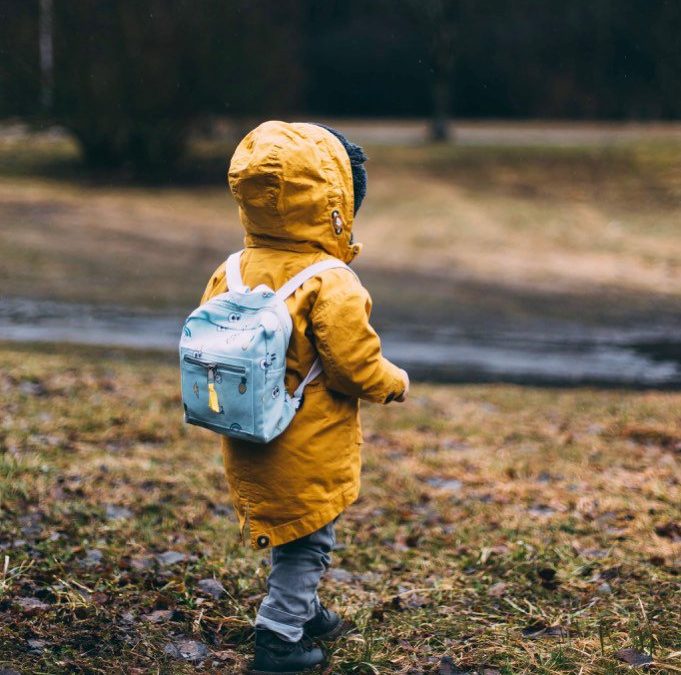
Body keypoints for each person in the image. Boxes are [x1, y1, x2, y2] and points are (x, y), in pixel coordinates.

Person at [200, 120, 409, 673]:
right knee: (309, 540)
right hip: (305, 439)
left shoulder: (233, 270)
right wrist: (394, 381)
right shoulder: (329, 280)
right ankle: (279, 635)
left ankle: (307, 609)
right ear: (335, 204)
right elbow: (353, 366)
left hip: (247, 431)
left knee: (297, 534)